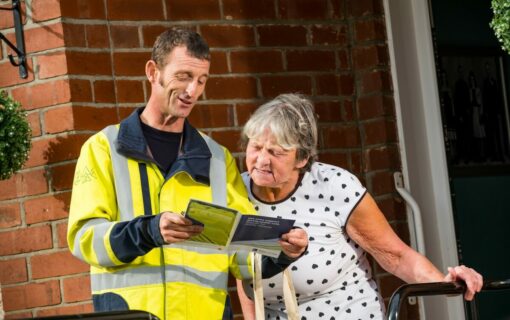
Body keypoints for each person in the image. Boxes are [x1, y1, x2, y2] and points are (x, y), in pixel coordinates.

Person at [67, 28, 308, 320]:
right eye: (183, 77)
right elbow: (85, 239)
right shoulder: (104, 149)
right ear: (153, 71)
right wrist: (150, 231)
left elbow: (241, 253)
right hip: (131, 315)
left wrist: (283, 251)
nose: (192, 91)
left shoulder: (217, 160)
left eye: (201, 80)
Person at [236, 93, 483, 320]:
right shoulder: (236, 192)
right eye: (255, 146)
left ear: (302, 158)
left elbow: (395, 256)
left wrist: (445, 283)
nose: (261, 160)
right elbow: (243, 271)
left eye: (276, 152)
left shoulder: (333, 187)